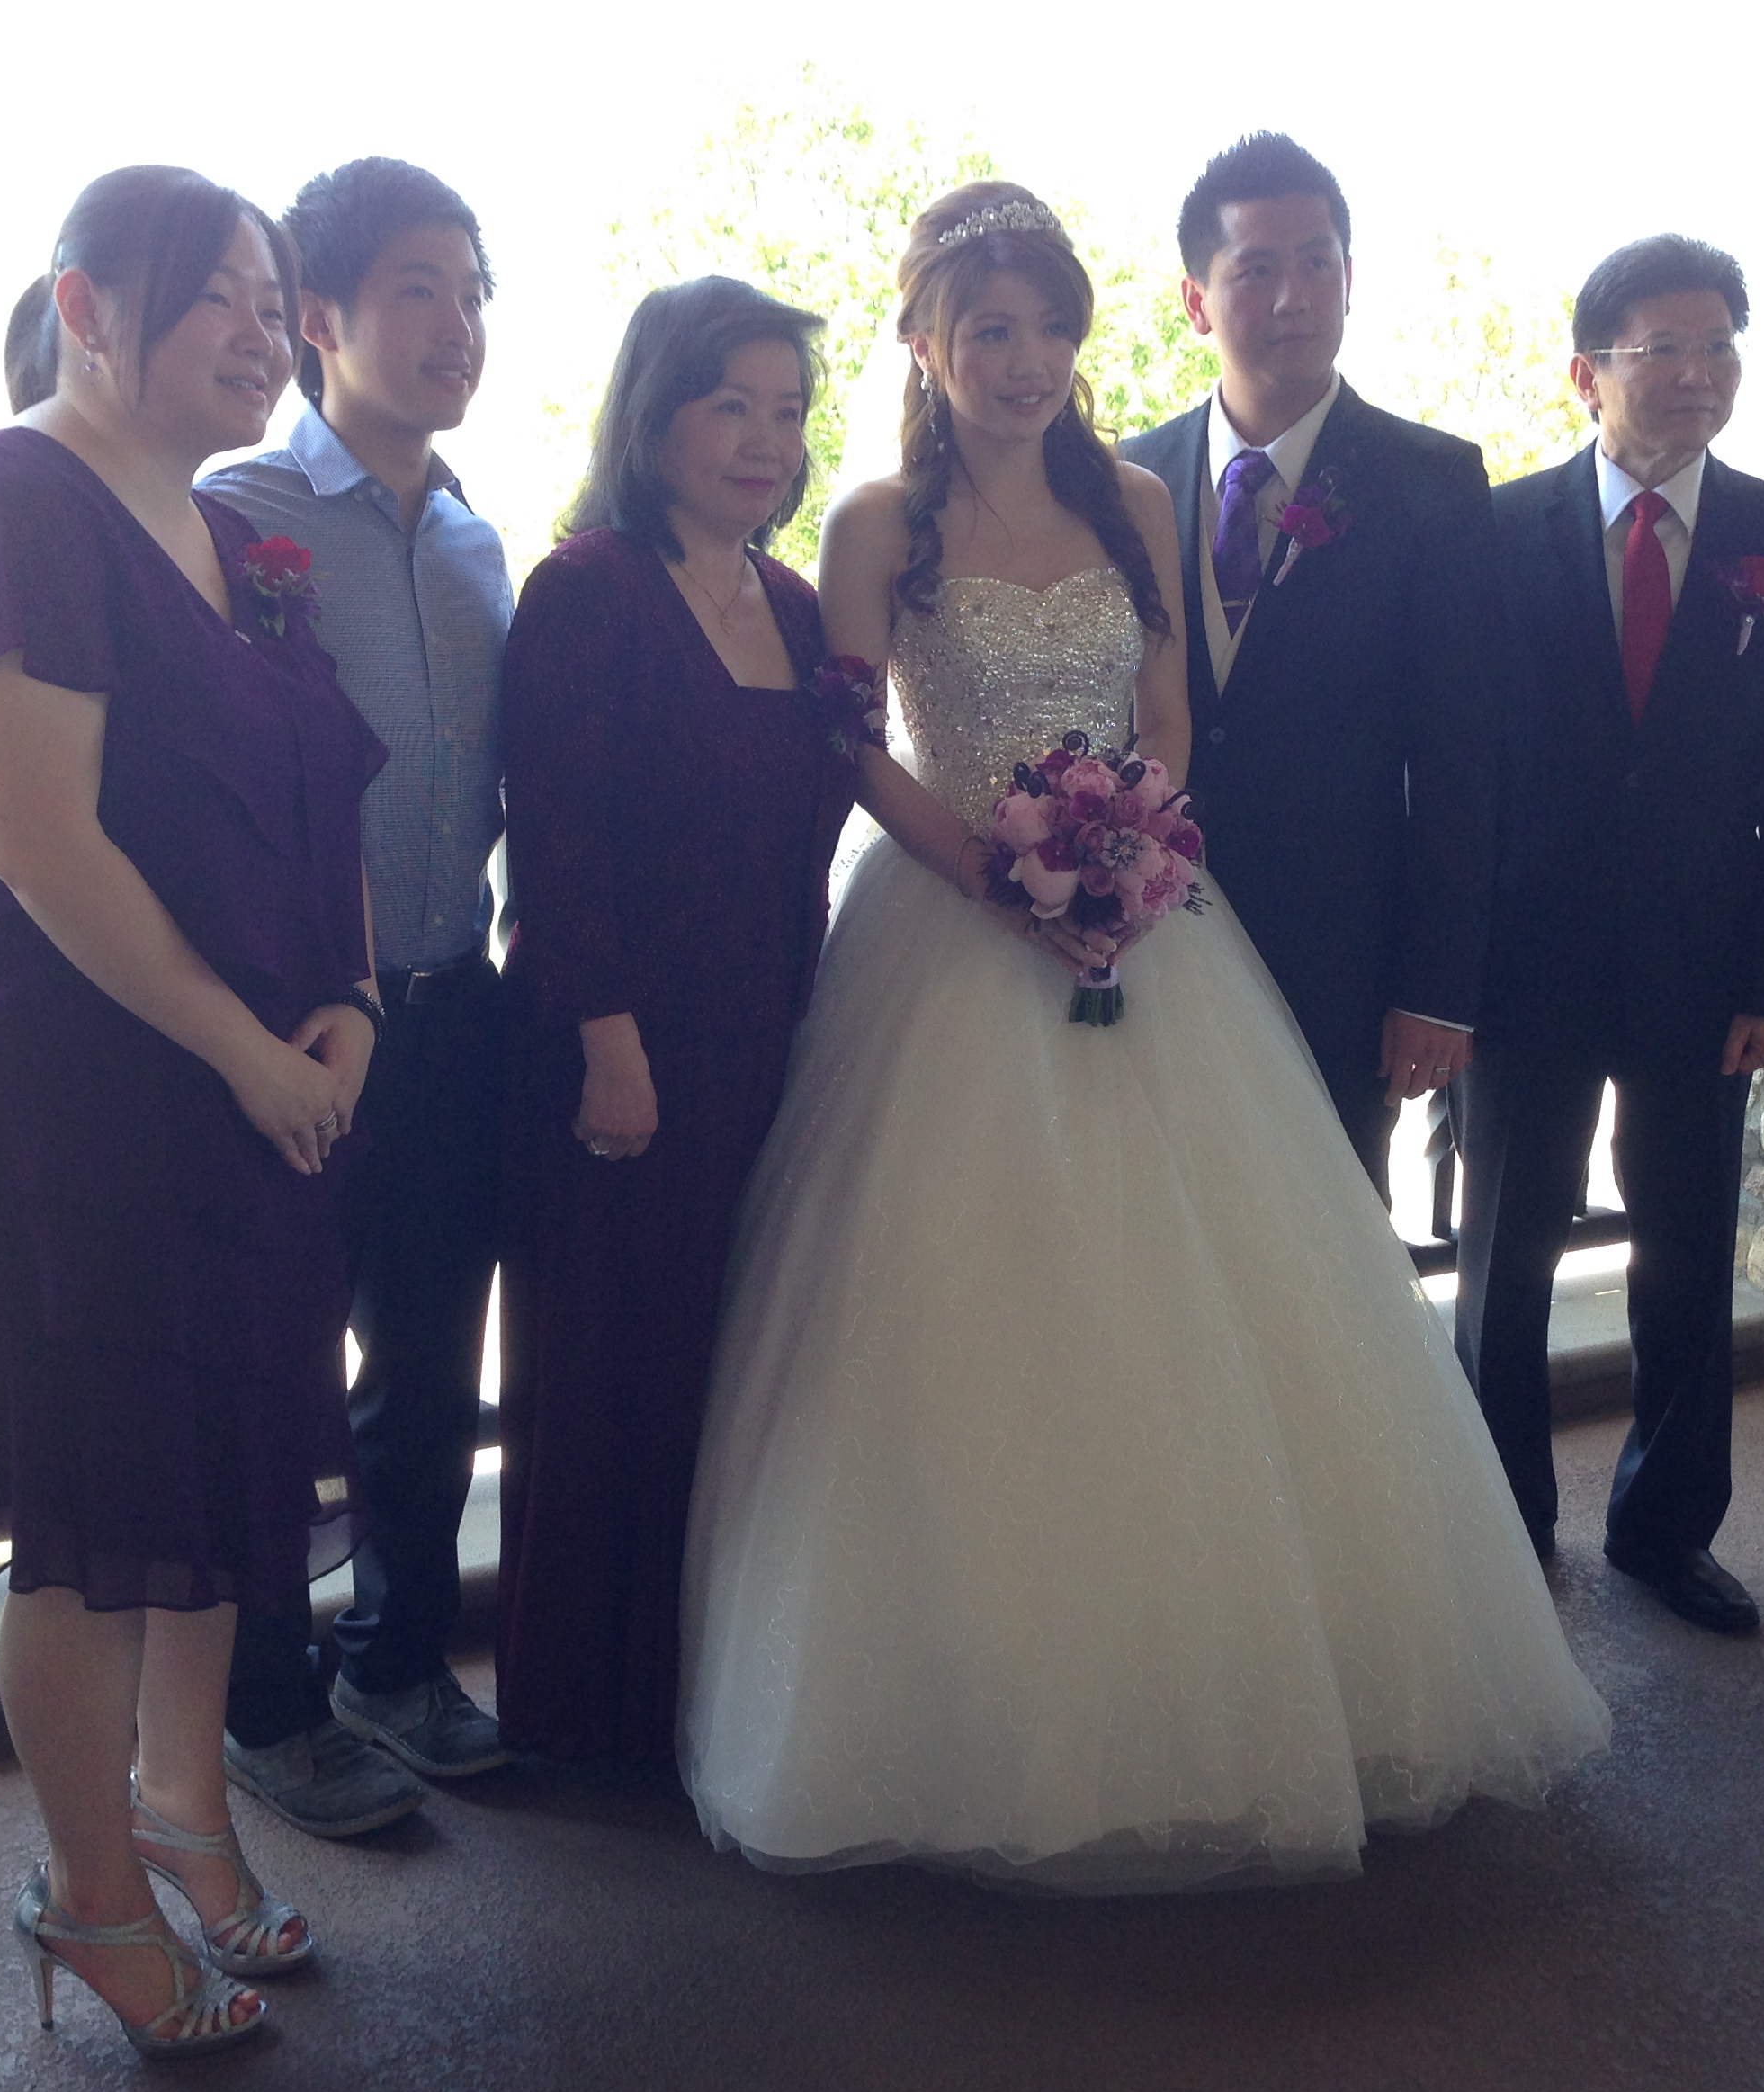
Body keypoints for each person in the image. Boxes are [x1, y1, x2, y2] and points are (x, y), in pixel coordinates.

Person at [678, 182, 1609, 1891]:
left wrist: (1125, 845)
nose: (1023, 359)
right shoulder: (874, 522)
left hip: (1150, 923)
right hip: (946, 933)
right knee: (954, 1302)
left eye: (1050, 327)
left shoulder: (1131, 497)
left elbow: (1167, 707)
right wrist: (993, 869)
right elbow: (848, 743)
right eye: (988, 330)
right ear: (924, 343)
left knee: (1215, 1290)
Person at [0, 165, 389, 2054]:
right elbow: (38, 843)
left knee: (222, 1500)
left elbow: (322, 801)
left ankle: (186, 1821)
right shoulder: (6, 506)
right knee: (90, 1530)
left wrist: (348, 1004)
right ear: (83, 305)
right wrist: (244, 1049)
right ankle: (89, 1893)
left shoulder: (235, 534)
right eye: (219, 294)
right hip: (81, 1115)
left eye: (272, 300)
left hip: (254, 1095)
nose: (261, 331)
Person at [1454, 236, 1764, 1634]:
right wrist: (1441, 969)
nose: (1697, 374)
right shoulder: (1494, 531)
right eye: (1662, 348)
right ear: (1588, 374)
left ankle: (1668, 1529)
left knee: (1685, 1252)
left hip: (1701, 964)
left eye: (1719, 346)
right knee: (1504, 1252)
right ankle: (1500, 1520)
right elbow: (1456, 765)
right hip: (1524, 960)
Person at [493, 278, 863, 1764]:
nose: (766, 440)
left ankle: (698, 1699)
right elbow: (557, 842)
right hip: (621, 1044)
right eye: (732, 406)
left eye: (788, 412)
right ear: (655, 420)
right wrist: (609, 1044)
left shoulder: (793, 603)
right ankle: (586, 1718)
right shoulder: (585, 590)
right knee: (610, 1373)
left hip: (765, 1033)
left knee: (728, 1368)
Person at [202, 157, 513, 1830]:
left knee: (428, 1369)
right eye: (415, 289)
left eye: (471, 291)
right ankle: (261, 1703)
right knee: (268, 1376)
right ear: (317, 316)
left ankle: (393, 1663)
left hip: (452, 1010)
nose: (454, 323)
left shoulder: (476, 536)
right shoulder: (231, 509)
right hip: (296, 1027)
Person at [1116, 132, 1502, 1199]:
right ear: (1196, 301)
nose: (1293, 296)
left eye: (1317, 262)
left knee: (1323, 1219)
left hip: (1343, 954)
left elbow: (1465, 754)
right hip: (1148, 934)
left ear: (1349, 278)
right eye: (1256, 269)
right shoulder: (1127, 477)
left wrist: (1435, 988)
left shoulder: (1433, 483)